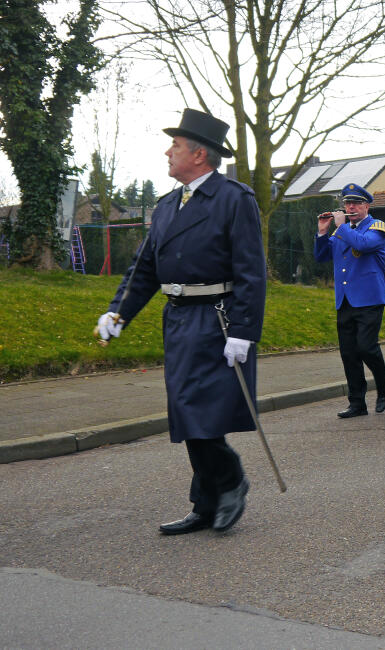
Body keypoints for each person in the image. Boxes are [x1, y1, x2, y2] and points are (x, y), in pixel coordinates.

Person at [94, 109, 266, 535]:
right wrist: (119, 313)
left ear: (199, 154)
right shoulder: (168, 205)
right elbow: (144, 269)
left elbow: (251, 272)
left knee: (198, 411)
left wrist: (243, 332)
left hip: (218, 319)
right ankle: (208, 503)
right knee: (187, 411)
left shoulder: (234, 199)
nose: (167, 152)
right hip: (178, 318)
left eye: (176, 145)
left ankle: (229, 483)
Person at [313, 183, 385, 419]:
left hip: (369, 298)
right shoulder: (341, 230)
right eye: (347, 204)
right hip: (345, 300)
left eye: (356, 203)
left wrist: (340, 226)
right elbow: (321, 256)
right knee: (348, 353)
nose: (351, 207)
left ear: (366, 206)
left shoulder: (377, 226)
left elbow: (363, 244)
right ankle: (357, 402)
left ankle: (384, 386)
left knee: (367, 347)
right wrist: (322, 232)